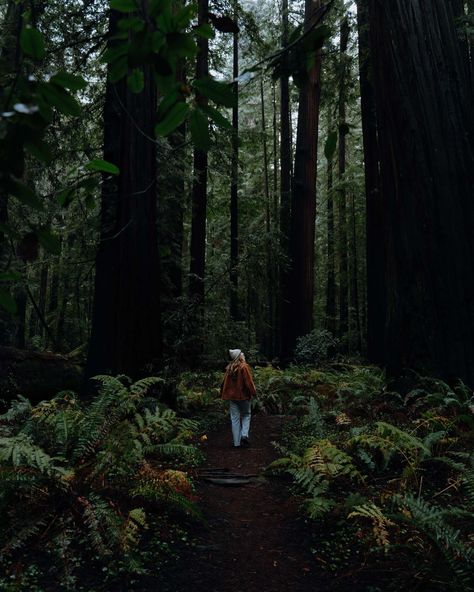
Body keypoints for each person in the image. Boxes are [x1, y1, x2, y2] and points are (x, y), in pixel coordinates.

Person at [220, 349, 257, 448]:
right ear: (239, 356)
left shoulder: (229, 368)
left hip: (232, 398)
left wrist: (224, 394)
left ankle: (237, 443)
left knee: (234, 419)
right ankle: (244, 435)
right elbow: (248, 382)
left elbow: (224, 383)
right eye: (241, 354)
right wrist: (254, 393)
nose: (243, 354)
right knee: (246, 415)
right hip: (243, 396)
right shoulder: (243, 367)